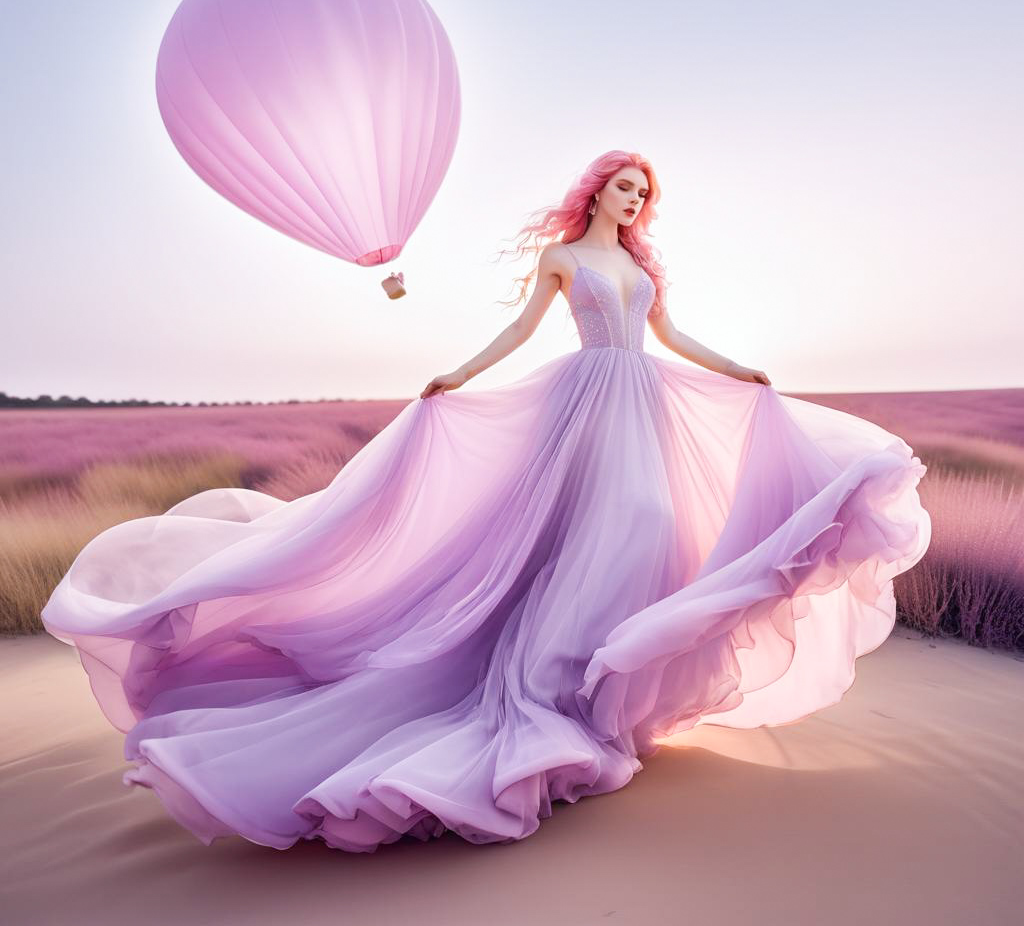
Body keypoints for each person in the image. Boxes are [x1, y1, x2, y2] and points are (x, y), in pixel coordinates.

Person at [41, 149, 931, 854]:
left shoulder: (639, 264)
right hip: (583, 406)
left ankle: (601, 696)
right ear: (597, 191)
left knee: (649, 528)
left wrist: (738, 369)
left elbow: (669, 333)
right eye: (623, 187)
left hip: (645, 403)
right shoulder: (563, 257)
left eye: (643, 192)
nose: (633, 200)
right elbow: (520, 329)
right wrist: (458, 377)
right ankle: (560, 691)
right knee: (602, 532)